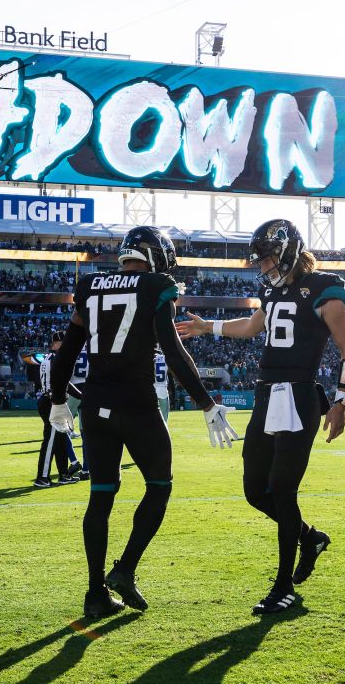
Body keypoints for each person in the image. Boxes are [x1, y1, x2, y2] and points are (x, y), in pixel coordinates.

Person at [50, 225, 237, 619]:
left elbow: (68, 349)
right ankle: (126, 569)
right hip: (135, 404)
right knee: (159, 485)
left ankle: (94, 593)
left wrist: (57, 399)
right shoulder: (155, 286)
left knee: (100, 497)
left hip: (95, 406)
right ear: (157, 257)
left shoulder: (91, 286)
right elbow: (172, 350)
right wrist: (206, 402)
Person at [176, 218, 345, 615]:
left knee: (282, 489)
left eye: (268, 258)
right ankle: (308, 538)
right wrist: (210, 327)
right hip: (266, 392)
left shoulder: (324, 287)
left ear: (289, 250)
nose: (262, 266)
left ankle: (283, 586)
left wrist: (342, 401)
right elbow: (254, 325)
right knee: (255, 489)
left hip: (298, 394)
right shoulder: (270, 291)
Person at [36, 331, 82, 488]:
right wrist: (81, 395)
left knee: (61, 439)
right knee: (50, 441)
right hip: (52, 401)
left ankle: (64, 474)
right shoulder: (57, 359)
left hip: (51, 399)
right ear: (57, 343)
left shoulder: (47, 358)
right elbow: (64, 383)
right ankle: (42, 477)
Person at [153, 348, 170, 422]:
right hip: (163, 389)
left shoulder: (151, 359)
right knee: (164, 416)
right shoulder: (165, 359)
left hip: (153, 388)